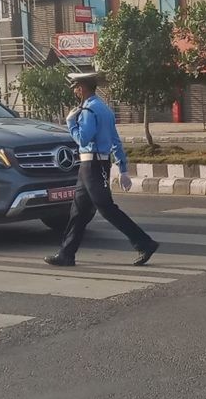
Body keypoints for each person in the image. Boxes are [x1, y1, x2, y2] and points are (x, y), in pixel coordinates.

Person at [46, 72, 159, 268]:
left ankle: (144, 243)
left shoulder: (89, 111)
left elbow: (83, 139)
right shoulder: (104, 109)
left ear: (82, 88)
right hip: (95, 165)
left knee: (106, 208)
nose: (74, 91)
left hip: (92, 165)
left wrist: (70, 123)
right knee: (78, 212)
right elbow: (115, 141)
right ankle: (67, 253)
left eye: (75, 87)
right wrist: (122, 168)